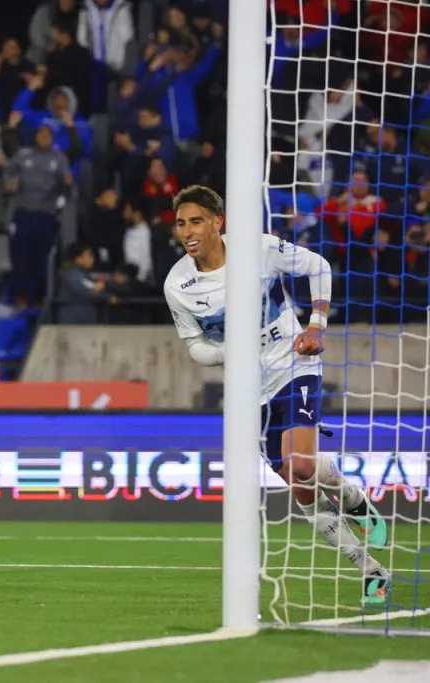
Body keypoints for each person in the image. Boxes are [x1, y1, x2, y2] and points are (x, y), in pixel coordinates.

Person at [162, 185, 390, 605]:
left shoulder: (258, 248)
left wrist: (317, 324)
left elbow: (318, 265)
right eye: (180, 223)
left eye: (196, 221)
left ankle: (354, 498)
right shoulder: (178, 284)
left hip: (293, 363)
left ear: (217, 222)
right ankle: (370, 568)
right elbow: (194, 345)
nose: (187, 231)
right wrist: (231, 350)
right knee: (299, 485)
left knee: (301, 463)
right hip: (250, 390)